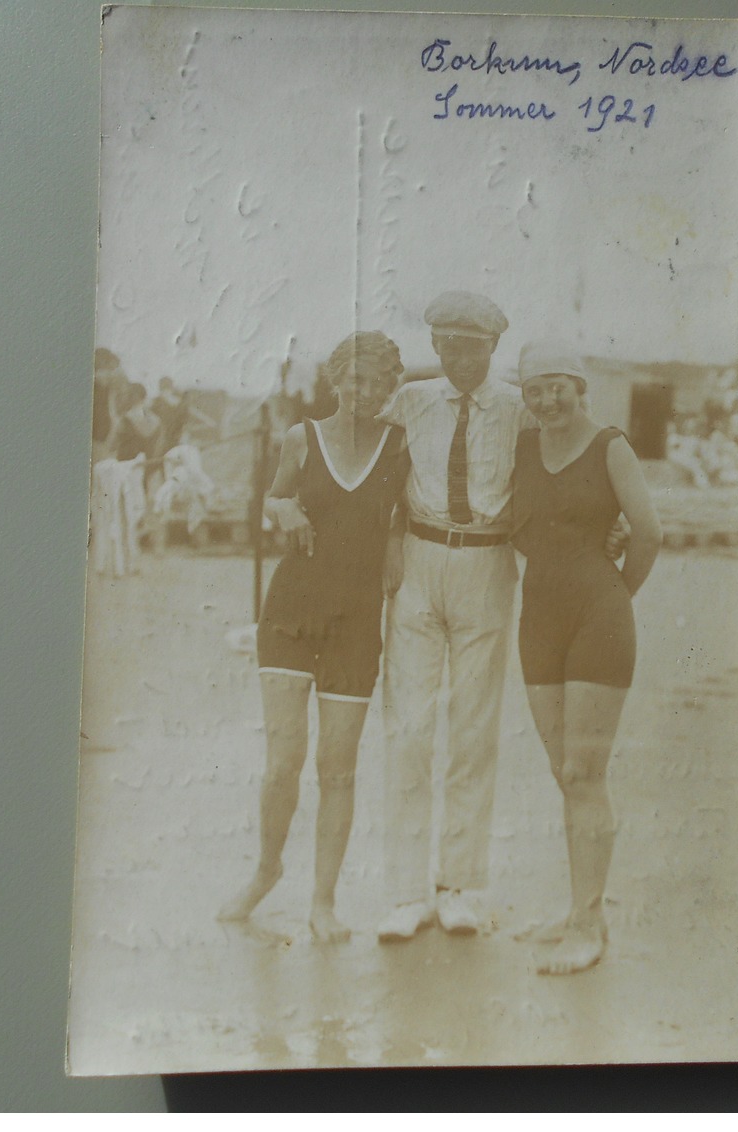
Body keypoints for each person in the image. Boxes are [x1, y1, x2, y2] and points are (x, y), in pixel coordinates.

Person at [219, 331, 409, 942]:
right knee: (284, 762)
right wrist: (287, 511)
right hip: (291, 611)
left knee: (339, 768)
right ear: (335, 380)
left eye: (378, 381)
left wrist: (398, 556)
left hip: (355, 621)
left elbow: (407, 521)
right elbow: (273, 501)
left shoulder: (399, 445)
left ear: (390, 389)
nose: (364, 390)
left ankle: (322, 902)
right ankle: (266, 869)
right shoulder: (302, 436)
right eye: (354, 378)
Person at [374, 291, 531, 941]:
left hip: (487, 566)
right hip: (418, 559)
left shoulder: (522, 409)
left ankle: (461, 885)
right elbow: (378, 472)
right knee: (408, 729)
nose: (460, 357)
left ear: (495, 346)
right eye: (447, 344)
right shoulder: (410, 401)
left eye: (473, 345)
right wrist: (387, 543)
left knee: (472, 729)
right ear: (433, 346)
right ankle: (406, 892)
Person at [511, 341, 662, 975]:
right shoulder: (521, 449)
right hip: (538, 620)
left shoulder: (610, 446)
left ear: (579, 386)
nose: (548, 399)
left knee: (584, 775)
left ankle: (588, 926)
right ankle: (582, 911)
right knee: (563, 773)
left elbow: (648, 531)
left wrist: (617, 593)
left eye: (558, 386)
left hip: (599, 620)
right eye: (535, 389)